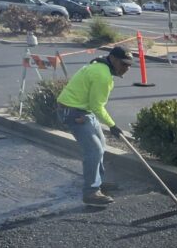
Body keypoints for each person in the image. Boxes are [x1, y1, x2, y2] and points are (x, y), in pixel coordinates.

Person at [56, 46, 133, 206]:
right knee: (94, 150)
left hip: (84, 110)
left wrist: (109, 125)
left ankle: (98, 181)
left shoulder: (101, 67)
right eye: (123, 63)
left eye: (129, 65)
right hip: (73, 111)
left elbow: (93, 106)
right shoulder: (102, 75)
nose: (127, 68)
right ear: (113, 59)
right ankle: (91, 192)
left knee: (101, 145)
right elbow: (97, 106)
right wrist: (112, 125)